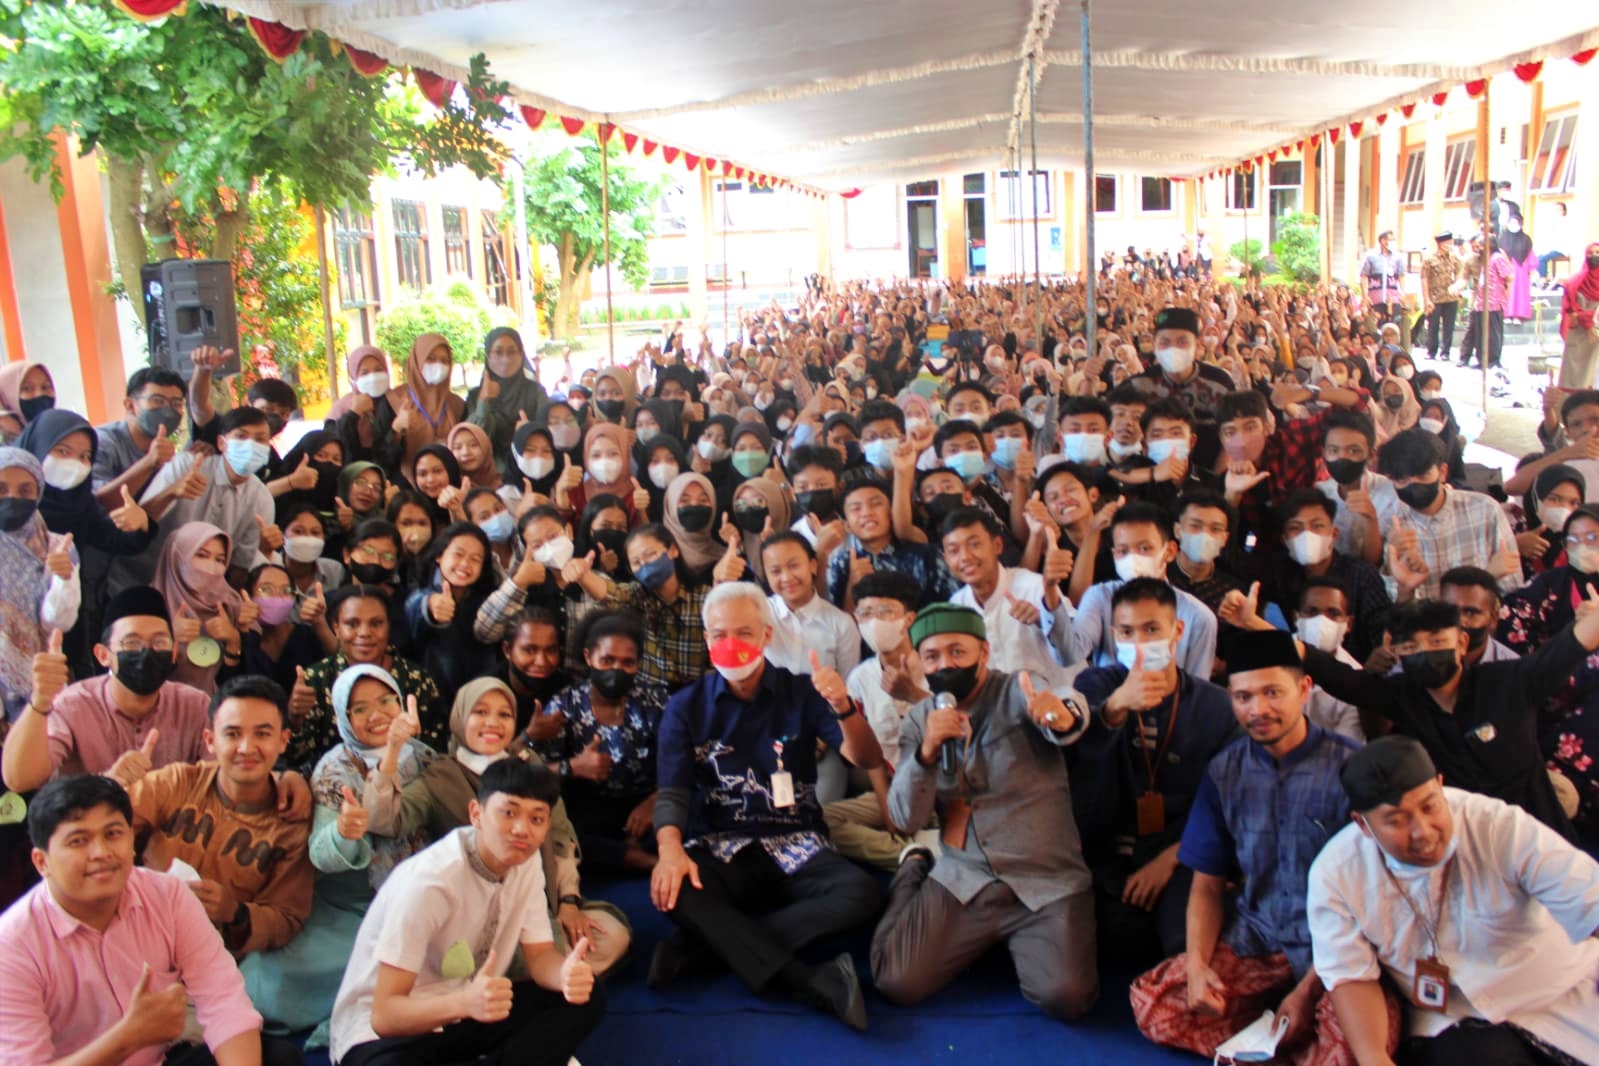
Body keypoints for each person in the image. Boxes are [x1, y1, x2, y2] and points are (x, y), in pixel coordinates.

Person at [649, 582, 885, 1029]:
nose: (731, 643)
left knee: (862, 892)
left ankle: (707, 947)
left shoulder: (804, 692)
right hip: (722, 846)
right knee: (677, 890)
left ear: (766, 635)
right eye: (719, 634)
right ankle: (812, 981)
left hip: (797, 843)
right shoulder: (684, 707)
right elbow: (673, 791)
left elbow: (867, 758)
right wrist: (669, 850)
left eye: (744, 631)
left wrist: (843, 707)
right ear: (706, 639)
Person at [1129, 630, 1368, 1064]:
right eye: (1243, 697)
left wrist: (1306, 992)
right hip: (1261, 937)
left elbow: (1370, 905)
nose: (1257, 710)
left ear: (1304, 689)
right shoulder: (1225, 772)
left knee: (1354, 1047)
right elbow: (1207, 884)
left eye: (1272, 693)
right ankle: (1283, 1038)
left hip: (1337, 952)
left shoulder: (1352, 769)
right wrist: (1198, 967)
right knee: (1155, 1006)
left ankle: (1284, 1033)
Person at [1308, 737, 1599, 1066]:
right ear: (1363, 824)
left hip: (1559, 990)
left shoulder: (1496, 824)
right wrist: (1374, 1058)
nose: (1422, 831)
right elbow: (1349, 975)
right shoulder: (1335, 874)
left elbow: (1588, 895)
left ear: (1440, 785)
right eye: (1396, 820)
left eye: (1430, 806)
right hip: (1455, 1017)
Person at [869, 603, 1098, 1019]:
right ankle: (913, 870)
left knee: (1066, 998)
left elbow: (1066, 706)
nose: (945, 664)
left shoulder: (1018, 689)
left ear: (984, 652)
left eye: (958, 651)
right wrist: (926, 753)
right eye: (932, 656)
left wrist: (1062, 716)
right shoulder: (920, 719)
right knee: (896, 980)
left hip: (1045, 878)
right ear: (920, 663)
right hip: (966, 876)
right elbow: (904, 818)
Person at [0, 775, 303, 1066]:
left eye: (112, 834)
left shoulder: (167, 895)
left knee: (277, 1058)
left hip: (159, 1059)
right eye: (78, 840)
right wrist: (129, 1037)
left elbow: (223, 1001)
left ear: (131, 840)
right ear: (42, 862)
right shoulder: (12, 945)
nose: (101, 852)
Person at [329, 759, 606, 1066]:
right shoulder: (430, 882)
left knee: (588, 994)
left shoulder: (525, 863)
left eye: (536, 819)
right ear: (476, 814)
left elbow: (540, 956)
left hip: (468, 1010)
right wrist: (463, 1003)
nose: (521, 829)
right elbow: (385, 1016)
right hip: (386, 1034)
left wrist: (565, 975)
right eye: (508, 813)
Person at [1300, 596, 1599, 841]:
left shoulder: (1510, 681)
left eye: (1437, 641)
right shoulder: (1402, 696)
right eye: (1411, 647)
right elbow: (1342, 679)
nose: (1425, 653)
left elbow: (1568, 648)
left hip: (1539, 838)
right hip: (1465, 848)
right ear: (1397, 653)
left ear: (1462, 643)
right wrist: (1281, 640)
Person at [1066, 579, 1240, 965]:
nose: (1140, 642)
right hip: (1102, 855)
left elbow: (1228, 801)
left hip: (1180, 854)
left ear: (1177, 631)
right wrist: (1115, 708)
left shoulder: (1215, 706)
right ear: (1114, 635)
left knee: (1182, 942)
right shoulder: (1095, 685)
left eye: (1151, 629)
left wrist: (1173, 858)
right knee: (1087, 951)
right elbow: (1076, 743)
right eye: (1127, 632)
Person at [123, 676, 314, 957]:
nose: (246, 748)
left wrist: (234, 912)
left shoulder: (291, 824)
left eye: (262, 734)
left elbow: (287, 918)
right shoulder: (178, 782)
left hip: (215, 959)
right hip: (134, 932)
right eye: (233, 734)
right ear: (210, 740)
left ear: (283, 741)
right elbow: (108, 825)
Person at [2, 586, 209, 794]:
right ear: (103, 655)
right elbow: (20, 779)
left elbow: (219, 780)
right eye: (132, 643)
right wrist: (39, 702)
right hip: (89, 813)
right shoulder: (74, 704)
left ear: (173, 652)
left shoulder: (195, 705)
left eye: (159, 642)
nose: (146, 652)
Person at [821, 571, 936, 870]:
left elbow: (962, 725)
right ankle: (913, 856)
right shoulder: (861, 677)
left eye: (885, 612)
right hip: (891, 785)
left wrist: (913, 694)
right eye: (865, 613)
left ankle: (920, 847)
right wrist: (890, 811)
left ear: (909, 618)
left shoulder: (934, 664)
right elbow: (873, 758)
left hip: (939, 787)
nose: (874, 622)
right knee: (820, 820)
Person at [118, 405, 276, 592]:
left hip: (199, 593)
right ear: (221, 443)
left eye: (260, 439)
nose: (250, 446)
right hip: (140, 579)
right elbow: (140, 519)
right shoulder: (186, 466)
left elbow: (239, 567)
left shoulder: (262, 499)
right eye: (241, 436)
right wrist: (172, 492)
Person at [1071, 501, 1218, 676]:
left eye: (1144, 548)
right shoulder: (1100, 597)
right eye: (1123, 551)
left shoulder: (1199, 617)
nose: (1133, 558)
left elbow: (1198, 685)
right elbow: (1071, 654)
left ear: (1170, 551)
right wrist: (1051, 598)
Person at [1381, 428, 1522, 600]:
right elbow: (1400, 605)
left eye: (1423, 475)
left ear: (1442, 472)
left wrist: (1487, 579)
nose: (1413, 485)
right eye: (1402, 480)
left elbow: (1512, 586)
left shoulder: (1485, 510)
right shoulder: (1395, 529)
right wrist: (1395, 569)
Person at [943, 506, 1078, 678]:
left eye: (974, 544)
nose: (965, 557)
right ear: (945, 559)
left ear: (997, 546)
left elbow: (1079, 643)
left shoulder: (1033, 586)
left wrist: (1042, 619)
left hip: (1058, 692)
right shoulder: (956, 607)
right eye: (954, 551)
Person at [0, 447, 80, 720]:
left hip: (41, 683)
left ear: (38, 494)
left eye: (25, 490)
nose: (12, 498)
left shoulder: (58, 547)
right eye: (1, 489)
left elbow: (59, 623)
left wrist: (62, 580)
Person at [464, 326, 550, 457]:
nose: (506, 359)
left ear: (521, 355)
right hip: (487, 466)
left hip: (529, 462)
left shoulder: (536, 392)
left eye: (512, 352)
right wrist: (483, 402)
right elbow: (469, 440)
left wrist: (530, 433)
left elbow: (550, 434)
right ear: (488, 356)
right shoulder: (474, 396)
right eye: (498, 352)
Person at [1557, 241, 1599, 389]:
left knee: (1592, 376)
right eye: (1590, 253)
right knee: (1572, 377)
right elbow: (1570, 308)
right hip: (1578, 334)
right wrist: (1585, 320)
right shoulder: (1575, 282)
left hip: (1595, 333)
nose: (1594, 256)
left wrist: (1584, 318)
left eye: (1597, 253)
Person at [1421, 231, 1463, 361]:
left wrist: (1457, 289)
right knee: (1433, 326)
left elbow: (1460, 273)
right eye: (1447, 243)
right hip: (1435, 298)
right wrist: (1426, 299)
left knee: (1449, 326)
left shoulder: (1454, 258)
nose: (1449, 245)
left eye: (1450, 243)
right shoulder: (1429, 259)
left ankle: (1445, 352)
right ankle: (1431, 351)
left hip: (1451, 297)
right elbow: (1424, 279)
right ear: (1440, 244)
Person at [1361, 231, 1406, 323]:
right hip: (1375, 298)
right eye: (1390, 240)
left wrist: (1402, 292)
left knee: (1393, 323)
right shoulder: (1371, 256)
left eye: (1393, 240)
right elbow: (1364, 276)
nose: (1392, 242)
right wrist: (1365, 295)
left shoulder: (1398, 257)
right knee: (1377, 323)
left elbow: (1401, 275)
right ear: (1382, 241)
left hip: (1393, 298)